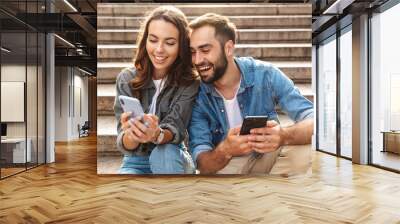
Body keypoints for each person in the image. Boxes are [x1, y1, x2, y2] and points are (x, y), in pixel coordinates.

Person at [188, 13, 314, 174]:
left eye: (205, 50)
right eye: (192, 52)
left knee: (305, 150)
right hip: (228, 166)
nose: (197, 60)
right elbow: (202, 164)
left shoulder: (264, 74)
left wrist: (283, 135)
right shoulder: (196, 95)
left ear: (228, 48)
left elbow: (312, 119)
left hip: (266, 156)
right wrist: (225, 149)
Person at [114, 6, 200, 174]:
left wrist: (156, 134)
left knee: (164, 153)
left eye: (170, 43)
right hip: (136, 160)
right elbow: (124, 144)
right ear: (145, 40)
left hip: (173, 155)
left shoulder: (190, 83)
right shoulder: (126, 79)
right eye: (153, 40)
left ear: (181, 45)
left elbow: (175, 128)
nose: (159, 49)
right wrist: (132, 135)